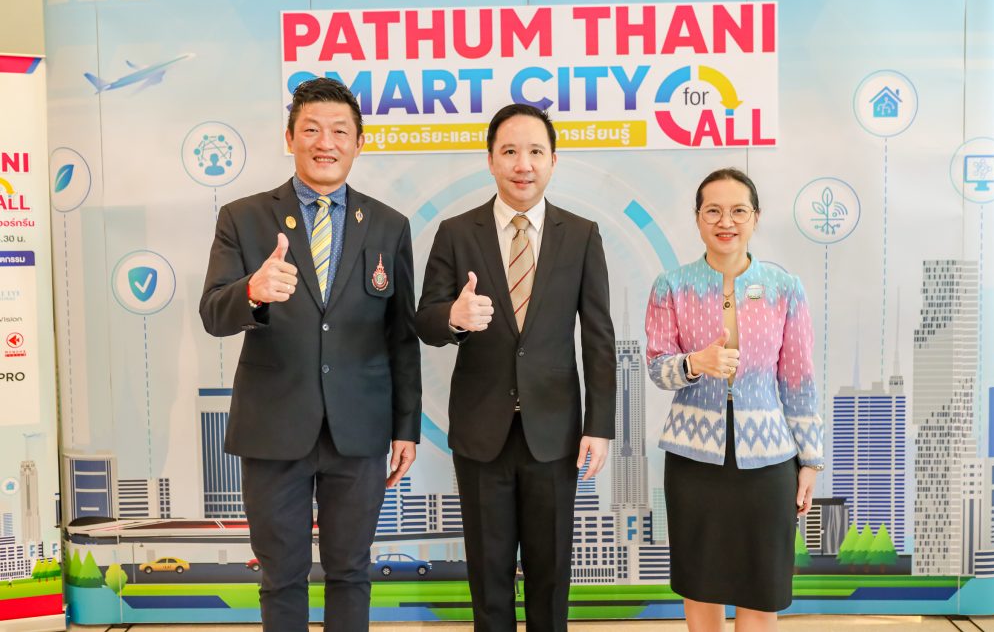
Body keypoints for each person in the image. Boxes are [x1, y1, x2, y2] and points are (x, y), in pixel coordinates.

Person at [199, 77, 421, 631]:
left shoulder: (389, 225)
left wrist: (406, 428)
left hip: (360, 429)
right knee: (281, 576)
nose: (326, 143)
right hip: (274, 426)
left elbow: (401, 335)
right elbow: (213, 313)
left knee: (351, 571)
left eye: (340, 131)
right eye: (312, 130)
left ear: (359, 143)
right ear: (290, 138)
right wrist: (252, 291)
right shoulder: (243, 217)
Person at [415, 103, 616, 632]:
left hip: (555, 433)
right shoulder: (457, 232)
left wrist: (599, 425)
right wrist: (454, 317)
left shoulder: (581, 234)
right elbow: (425, 319)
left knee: (551, 579)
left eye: (535, 152)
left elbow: (598, 336)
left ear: (553, 160)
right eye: (509, 151)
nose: (522, 164)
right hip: (482, 433)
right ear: (490, 160)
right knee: (489, 579)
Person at [644, 168, 824, 632]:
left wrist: (809, 461)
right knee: (700, 583)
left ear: (756, 217)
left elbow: (799, 380)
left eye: (738, 211)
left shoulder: (785, 287)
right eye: (713, 211)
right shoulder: (671, 285)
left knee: (762, 584)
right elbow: (658, 368)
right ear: (698, 218)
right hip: (693, 458)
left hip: (769, 459)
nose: (726, 221)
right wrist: (695, 363)